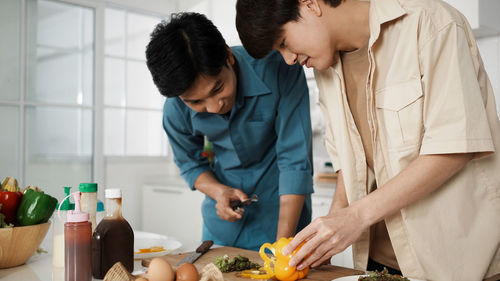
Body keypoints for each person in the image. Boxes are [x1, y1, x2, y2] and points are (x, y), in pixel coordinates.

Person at [235, 0, 500, 280]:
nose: (289, 59)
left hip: (457, 263)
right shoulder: (325, 67)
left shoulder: (431, 23)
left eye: (284, 42)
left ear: (309, 3)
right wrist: (328, 232)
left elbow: (455, 147)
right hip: (378, 264)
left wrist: (356, 217)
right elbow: (349, 164)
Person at [145, 12, 314, 251]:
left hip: (284, 220)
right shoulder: (175, 108)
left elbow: (295, 161)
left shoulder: (278, 68)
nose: (214, 107)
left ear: (228, 56)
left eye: (218, 88)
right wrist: (219, 191)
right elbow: (190, 164)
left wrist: (281, 251)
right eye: (196, 102)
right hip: (221, 229)